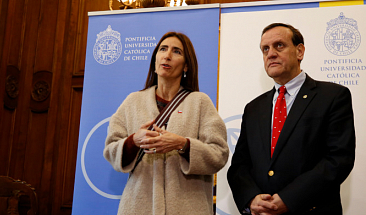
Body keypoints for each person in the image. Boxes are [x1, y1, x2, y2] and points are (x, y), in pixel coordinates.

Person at [227, 23, 355, 215]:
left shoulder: (333, 96)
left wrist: (289, 199)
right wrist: (251, 198)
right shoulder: (253, 108)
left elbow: (338, 160)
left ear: (300, 51)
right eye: (265, 49)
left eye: (279, 45)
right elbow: (239, 166)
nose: (270, 53)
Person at [104, 32, 229, 214]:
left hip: (189, 208)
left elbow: (219, 154)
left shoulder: (200, 102)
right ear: (155, 59)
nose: (167, 55)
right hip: (138, 207)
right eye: (163, 49)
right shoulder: (133, 101)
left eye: (176, 51)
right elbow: (110, 149)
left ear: (186, 66)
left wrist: (183, 144)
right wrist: (134, 141)